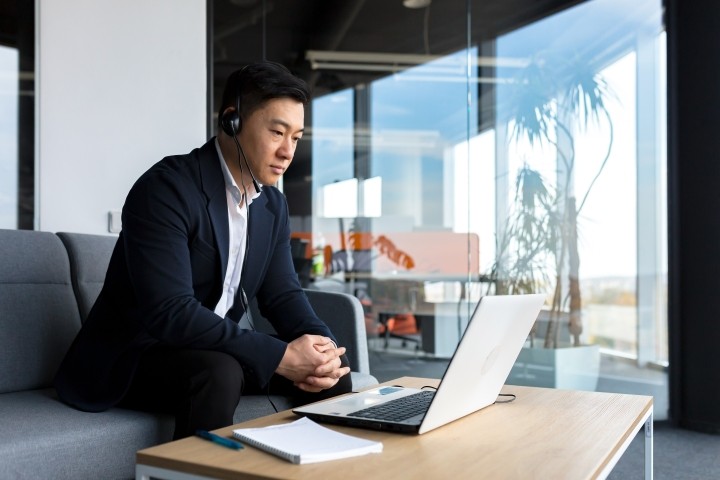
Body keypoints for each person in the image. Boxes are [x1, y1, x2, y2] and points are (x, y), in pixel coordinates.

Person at [54, 62, 352, 439]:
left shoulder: (271, 206)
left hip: (213, 348)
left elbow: (283, 295)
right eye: (277, 132)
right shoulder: (167, 189)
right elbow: (170, 312)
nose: (287, 151)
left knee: (335, 377)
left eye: (296, 137)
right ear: (231, 121)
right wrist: (278, 356)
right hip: (136, 357)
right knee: (219, 372)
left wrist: (324, 349)